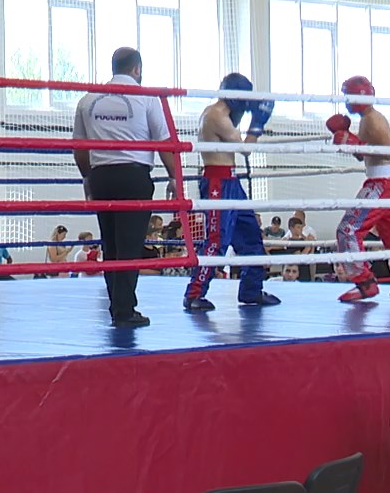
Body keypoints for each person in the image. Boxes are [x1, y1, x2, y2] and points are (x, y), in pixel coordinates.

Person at [73, 48, 178, 326]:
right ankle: (124, 310)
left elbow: (79, 149)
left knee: (111, 244)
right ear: (137, 69)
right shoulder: (146, 97)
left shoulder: (88, 99)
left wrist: (87, 179)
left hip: (101, 176)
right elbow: (165, 142)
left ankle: (117, 306)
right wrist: (175, 178)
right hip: (133, 176)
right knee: (129, 245)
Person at [184, 73, 281, 311]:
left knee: (251, 237)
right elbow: (245, 149)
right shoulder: (216, 115)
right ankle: (194, 294)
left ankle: (251, 290)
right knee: (217, 240)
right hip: (217, 183)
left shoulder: (223, 114)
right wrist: (258, 122)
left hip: (231, 181)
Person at [329, 76, 390, 301]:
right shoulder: (366, 119)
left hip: (382, 183)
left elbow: (384, 153)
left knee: (348, 230)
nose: (346, 101)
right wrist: (348, 140)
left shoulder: (373, 120)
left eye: (348, 96)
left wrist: (352, 142)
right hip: (384, 181)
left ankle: (364, 282)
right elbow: (364, 156)